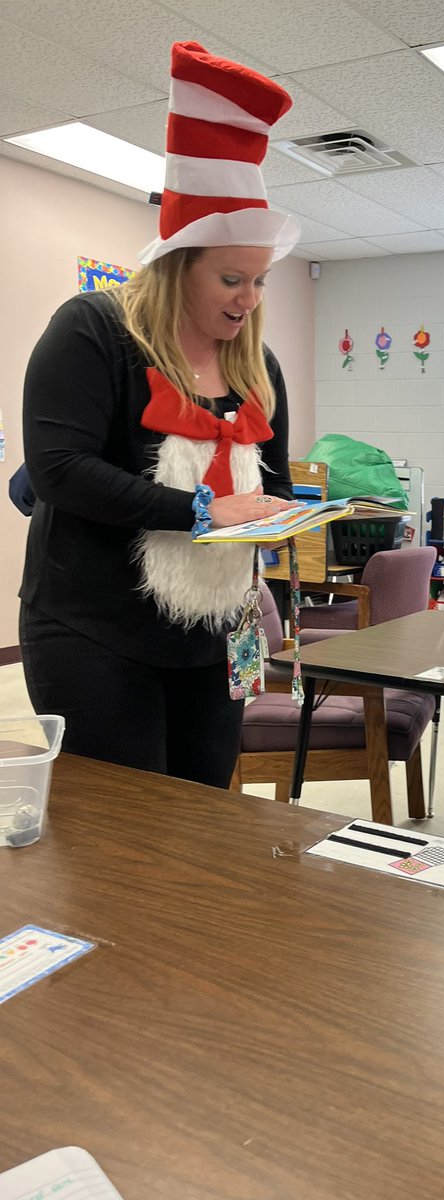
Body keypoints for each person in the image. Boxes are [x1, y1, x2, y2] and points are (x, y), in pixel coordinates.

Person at [19, 41, 301, 787]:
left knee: (206, 812)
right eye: (232, 279)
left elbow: (271, 485)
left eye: (261, 281)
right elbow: (60, 472)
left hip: (219, 633)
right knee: (125, 831)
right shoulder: (92, 329)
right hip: (95, 631)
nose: (249, 299)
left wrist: (288, 517)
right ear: (178, 265)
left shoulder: (257, 365)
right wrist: (206, 512)